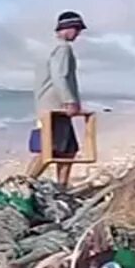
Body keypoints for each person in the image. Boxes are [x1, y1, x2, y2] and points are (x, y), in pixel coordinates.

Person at [27, 10, 86, 187]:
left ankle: (62, 187)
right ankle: (25, 184)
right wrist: (69, 101)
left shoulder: (47, 48)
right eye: (77, 29)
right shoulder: (62, 48)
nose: (78, 34)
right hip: (55, 107)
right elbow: (60, 76)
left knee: (69, 150)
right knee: (47, 150)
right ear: (68, 28)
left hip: (48, 105)